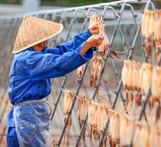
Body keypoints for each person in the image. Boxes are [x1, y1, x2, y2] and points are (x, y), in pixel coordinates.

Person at [6, 15, 104, 147]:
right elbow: (59, 63)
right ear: (40, 41)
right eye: (46, 38)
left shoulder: (35, 55)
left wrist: (87, 34)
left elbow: (61, 51)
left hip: (31, 117)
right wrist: (87, 45)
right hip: (25, 121)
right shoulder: (28, 59)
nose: (48, 41)